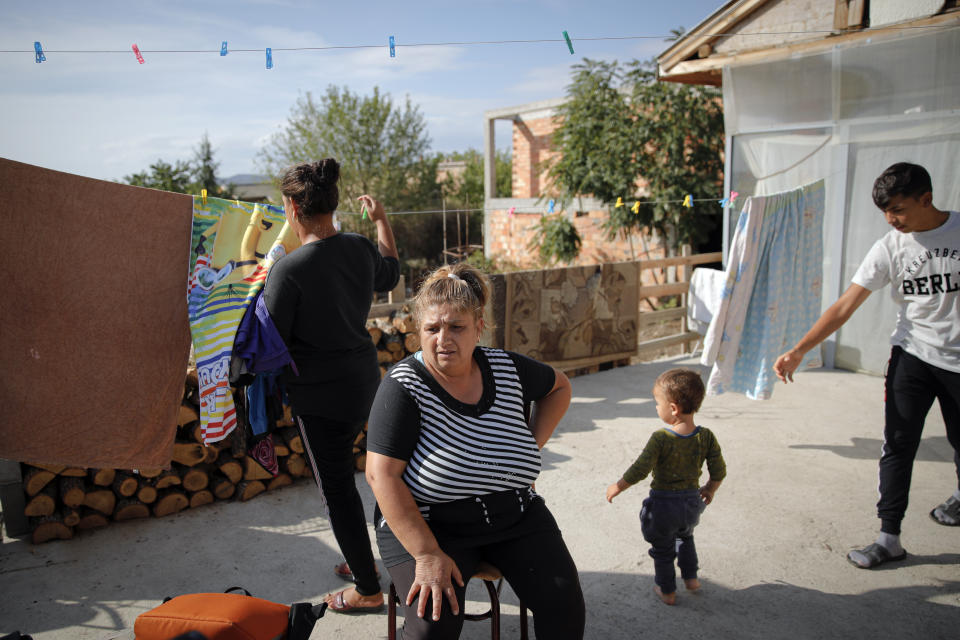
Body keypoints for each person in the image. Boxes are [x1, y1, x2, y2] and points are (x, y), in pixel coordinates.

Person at [365, 263, 585, 639]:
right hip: (430, 523)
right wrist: (426, 553)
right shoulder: (404, 386)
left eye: (456, 327)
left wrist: (525, 447)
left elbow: (560, 387)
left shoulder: (507, 368)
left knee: (564, 609)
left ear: (478, 325)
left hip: (514, 514)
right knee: (433, 627)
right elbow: (380, 475)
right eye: (432, 329)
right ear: (420, 331)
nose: (442, 339)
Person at [773, 162, 960, 569]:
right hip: (913, 356)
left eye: (899, 210)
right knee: (898, 443)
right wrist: (800, 349)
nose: (892, 220)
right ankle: (888, 537)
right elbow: (845, 305)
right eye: (886, 213)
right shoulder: (891, 246)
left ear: (926, 199)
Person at [262, 158, 399, 612]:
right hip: (365, 383)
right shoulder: (359, 248)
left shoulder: (289, 271)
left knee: (337, 489)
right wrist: (381, 220)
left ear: (291, 208)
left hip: (320, 399)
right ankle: (380, 560)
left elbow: (271, 343)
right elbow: (391, 272)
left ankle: (367, 587)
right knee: (380, 476)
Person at [606, 368, 726, 606]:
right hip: (692, 505)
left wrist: (617, 486)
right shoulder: (707, 436)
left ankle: (667, 590)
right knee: (685, 537)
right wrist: (710, 489)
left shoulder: (661, 438)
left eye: (657, 403)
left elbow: (640, 468)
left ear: (673, 408)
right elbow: (719, 470)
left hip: (663, 507)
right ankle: (691, 578)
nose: (656, 408)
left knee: (663, 550)